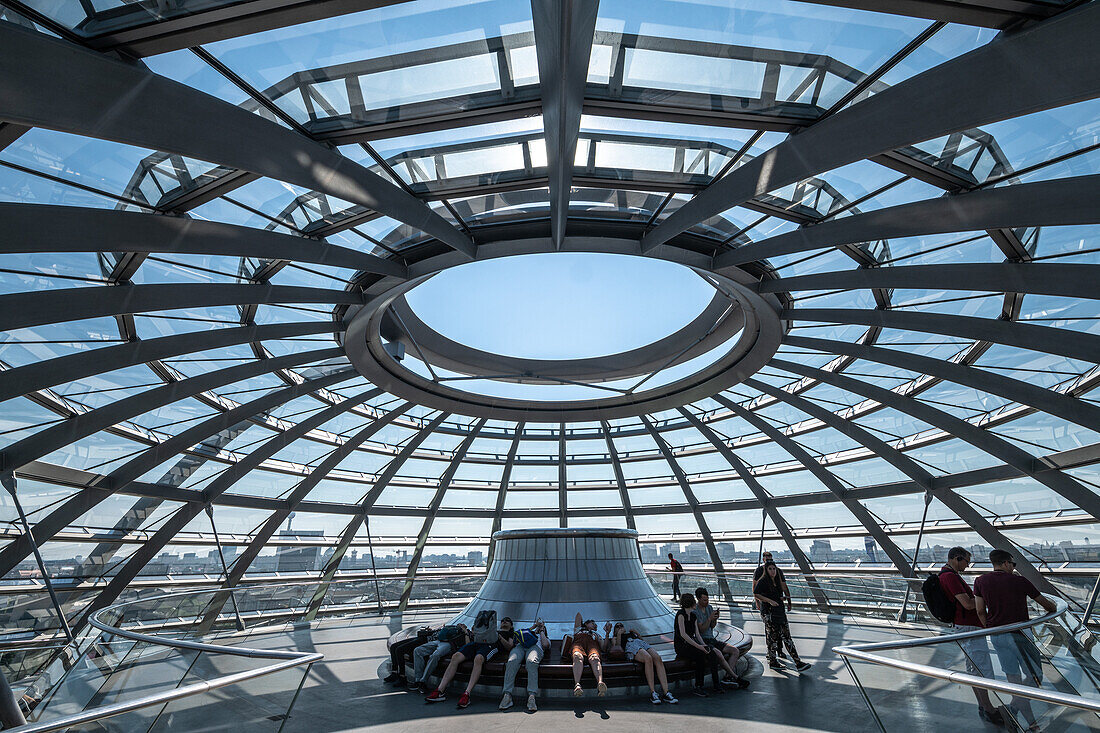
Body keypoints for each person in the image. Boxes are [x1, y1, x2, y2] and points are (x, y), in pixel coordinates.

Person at [975, 549, 1057, 733]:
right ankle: (1011, 708)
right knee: (1035, 677)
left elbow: (980, 611)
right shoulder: (1019, 581)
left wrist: (990, 628)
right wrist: (1054, 608)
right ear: (1005, 563)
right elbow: (1046, 604)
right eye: (1013, 564)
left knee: (1014, 680)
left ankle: (1029, 722)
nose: (1014, 567)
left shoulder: (980, 581)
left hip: (997, 635)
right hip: (1020, 634)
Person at [937, 547, 1003, 726]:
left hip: (965, 627)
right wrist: (985, 599)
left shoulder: (947, 575)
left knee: (974, 669)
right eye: (966, 561)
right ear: (956, 559)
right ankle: (988, 708)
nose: (968, 565)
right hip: (969, 628)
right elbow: (967, 604)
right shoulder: (950, 577)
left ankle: (984, 705)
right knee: (982, 669)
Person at [426, 611, 514, 709]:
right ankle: (440, 690)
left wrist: (499, 637)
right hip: (477, 643)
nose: (504, 622)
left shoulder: (509, 633)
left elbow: (509, 647)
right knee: (455, 657)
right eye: (503, 621)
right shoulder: (489, 629)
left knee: (478, 659)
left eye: (508, 621)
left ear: (511, 625)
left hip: (491, 645)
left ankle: (467, 693)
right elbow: (469, 642)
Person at [753, 562, 811, 672]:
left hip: (779, 613)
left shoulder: (777, 582)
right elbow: (756, 594)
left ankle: (797, 662)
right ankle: (775, 661)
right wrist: (770, 601)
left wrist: (782, 599)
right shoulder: (763, 581)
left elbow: (778, 592)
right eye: (770, 569)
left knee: (786, 637)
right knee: (773, 638)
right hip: (770, 614)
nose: (773, 571)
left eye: (774, 569)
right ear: (766, 570)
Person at [694, 587, 749, 689]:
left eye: (707, 599)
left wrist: (714, 619)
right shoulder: (695, 611)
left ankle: (727, 677)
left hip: (712, 638)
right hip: (703, 640)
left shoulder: (709, 608)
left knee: (735, 651)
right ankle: (734, 677)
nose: (707, 602)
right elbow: (701, 629)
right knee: (718, 654)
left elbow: (712, 626)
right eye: (704, 600)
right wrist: (710, 618)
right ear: (698, 599)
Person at [610, 622, 677, 704]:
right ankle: (653, 692)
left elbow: (642, 641)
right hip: (629, 646)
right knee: (648, 658)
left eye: (621, 626)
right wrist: (619, 634)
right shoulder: (615, 637)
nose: (620, 627)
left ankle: (666, 692)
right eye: (617, 627)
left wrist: (636, 633)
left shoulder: (630, 634)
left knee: (657, 658)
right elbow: (617, 647)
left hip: (639, 642)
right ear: (614, 630)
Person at [674, 593, 722, 696]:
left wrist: (704, 646)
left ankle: (716, 684)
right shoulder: (680, 615)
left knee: (712, 654)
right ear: (690, 603)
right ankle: (698, 686)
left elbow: (697, 634)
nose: (695, 603)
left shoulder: (693, 615)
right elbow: (683, 634)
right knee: (700, 656)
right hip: (682, 646)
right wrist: (699, 647)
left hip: (691, 643)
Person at [500, 618, 549, 712]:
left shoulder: (543, 638)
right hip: (521, 646)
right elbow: (521, 633)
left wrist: (542, 631)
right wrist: (535, 626)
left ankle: (532, 696)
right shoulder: (529, 632)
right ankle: (507, 695)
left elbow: (545, 645)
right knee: (511, 661)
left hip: (535, 648)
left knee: (531, 661)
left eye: (541, 628)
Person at [753, 551, 791, 659]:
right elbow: (755, 589)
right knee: (770, 630)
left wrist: (788, 600)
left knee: (776, 629)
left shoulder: (777, 571)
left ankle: (778, 650)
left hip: (776, 605)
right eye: (766, 558)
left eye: (770, 557)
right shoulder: (760, 571)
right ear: (763, 559)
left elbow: (784, 586)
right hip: (766, 606)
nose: (768, 559)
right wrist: (757, 602)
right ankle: (772, 653)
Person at [410, 623, 468, 693]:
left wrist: (464, 630)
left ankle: (423, 681)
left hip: (449, 643)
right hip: (439, 641)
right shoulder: (452, 627)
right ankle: (418, 679)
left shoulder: (464, 631)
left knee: (435, 655)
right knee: (417, 650)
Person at [570, 612, 608, 697]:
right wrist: (586, 624)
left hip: (592, 646)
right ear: (586, 623)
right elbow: (578, 615)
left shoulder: (596, 635)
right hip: (579, 644)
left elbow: (604, 648)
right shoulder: (578, 629)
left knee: (595, 658)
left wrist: (607, 633)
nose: (595, 625)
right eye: (593, 623)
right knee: (577, 656)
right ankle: (577, 684)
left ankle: (600, 683)